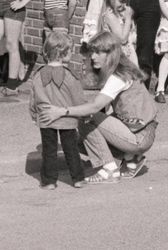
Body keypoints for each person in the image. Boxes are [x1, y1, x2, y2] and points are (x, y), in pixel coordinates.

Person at [42, 31, 158, 184]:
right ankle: (130, 158)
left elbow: (94, 107)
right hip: (140, 131)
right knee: (79, 143)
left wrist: (62, 111)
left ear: (110, 54)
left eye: (98, 52)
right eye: (92, 52)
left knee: (85, 118)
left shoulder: (118, 76)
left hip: (139, 137)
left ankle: (110, 169)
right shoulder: (121, 70)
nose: (93, 57)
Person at [28, 31, 88, 189]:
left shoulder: (38, 75)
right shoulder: (70, 76)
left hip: (46, 118)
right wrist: (84, 115)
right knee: (71, 149)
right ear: (65, 53)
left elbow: (33, 98)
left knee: (49, 151)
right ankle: (78, 179)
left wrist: (34, 115)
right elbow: (78, 99)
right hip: (67, 120)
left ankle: (49, 181)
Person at [99, 0, 138, 64]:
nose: (124, 5)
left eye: (126, 2)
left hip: (125, 53)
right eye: (121, 1)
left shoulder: (118, 15)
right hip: (118, 56)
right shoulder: (110, 16)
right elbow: (123, 39)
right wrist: (128, 19)